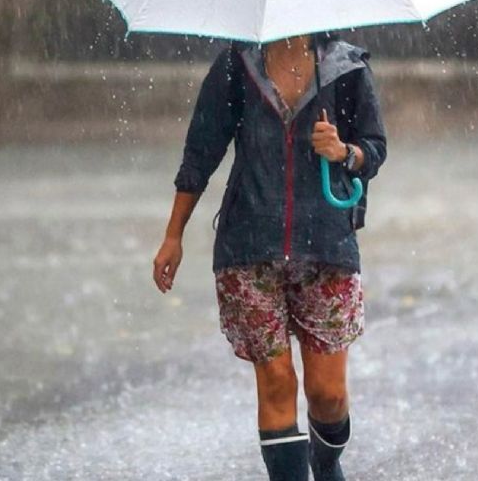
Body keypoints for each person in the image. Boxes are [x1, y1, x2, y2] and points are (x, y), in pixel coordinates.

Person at [152, 31, 387, 480]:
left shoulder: (347, 68)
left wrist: (345, 152)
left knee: (328, 395)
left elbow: (374, 147)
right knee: (277, 381)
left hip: (326, 246)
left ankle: (326, 463)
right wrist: (173, 234)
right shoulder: (235, 67)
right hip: (249, 245)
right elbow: (200, 153)